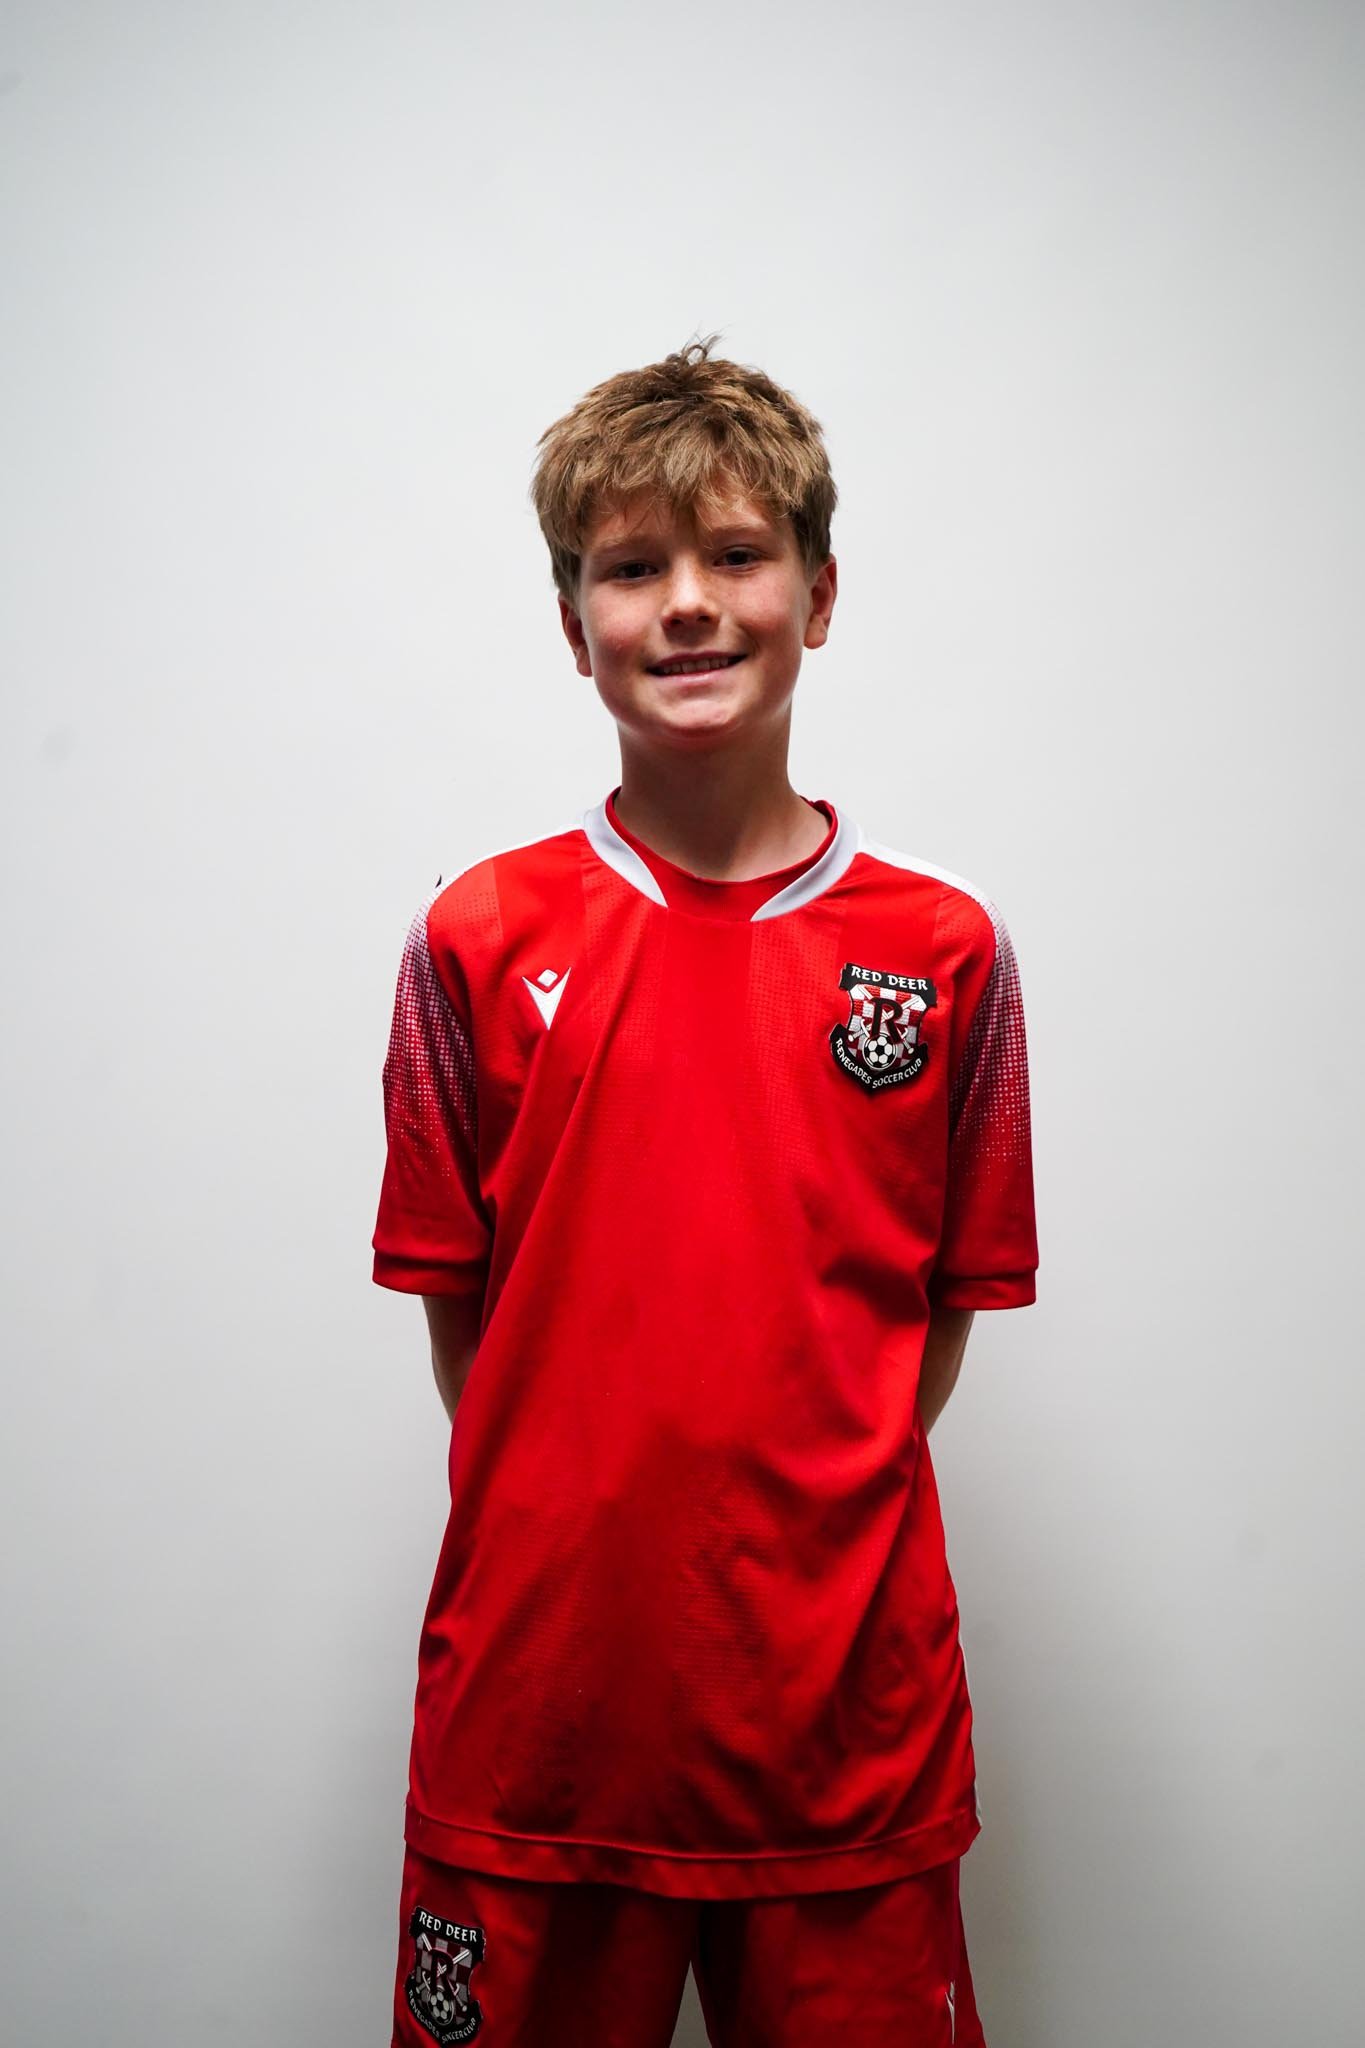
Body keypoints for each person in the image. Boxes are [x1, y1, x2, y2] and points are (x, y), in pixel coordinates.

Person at [371, 335, 1038, 2047]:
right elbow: (470, 1331)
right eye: (629, 567)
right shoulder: (473, 936)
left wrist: (786, 1543)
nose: (685, 604)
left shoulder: (942, 952)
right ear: (571, 620)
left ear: (818, 595)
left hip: (843, 1738)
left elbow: (928, 1329)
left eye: (736, 554)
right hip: (539, 1730)